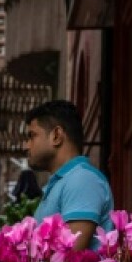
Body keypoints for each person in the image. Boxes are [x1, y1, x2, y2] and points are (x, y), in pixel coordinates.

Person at [23, 100, 113, 250]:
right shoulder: (64, 182)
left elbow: (68, 260)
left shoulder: (82, 180)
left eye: (32, 136)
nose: (26, 145)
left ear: (56, 136)